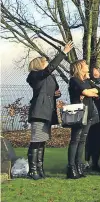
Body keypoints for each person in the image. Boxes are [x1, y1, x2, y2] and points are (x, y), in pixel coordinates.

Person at [25, 41, 73, 180]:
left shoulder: (47, 76)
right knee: (36, 140)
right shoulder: (34, 76)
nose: (47, 64)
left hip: (47, 111)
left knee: (42, 141)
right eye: (45, 62)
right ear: (39, 65)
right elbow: (49, 69)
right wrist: (63, 53)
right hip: (39, 112)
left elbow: (53, 86)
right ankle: (32, 170)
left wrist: (55, 94)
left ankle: (40, 168)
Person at [67, 59, 100, 179]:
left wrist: (90, 92)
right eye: (85, 64)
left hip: (89, 113)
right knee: (75, 140)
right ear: (79, 67)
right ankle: (71, 167)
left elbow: (97, 90)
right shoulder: (74, 80)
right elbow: (87, 92)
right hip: (79, 114)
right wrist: (89, 92)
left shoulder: (86, 80)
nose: (87, 66)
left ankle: (79, 165)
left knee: (82, 141)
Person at [85, 66, 100, 172]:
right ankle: (87, 161)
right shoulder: (88, 82)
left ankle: (95, 162)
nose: (94, 72)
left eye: (96, 71)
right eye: (93, 71)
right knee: (90, 139)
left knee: (97, 140)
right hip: (91, 112)